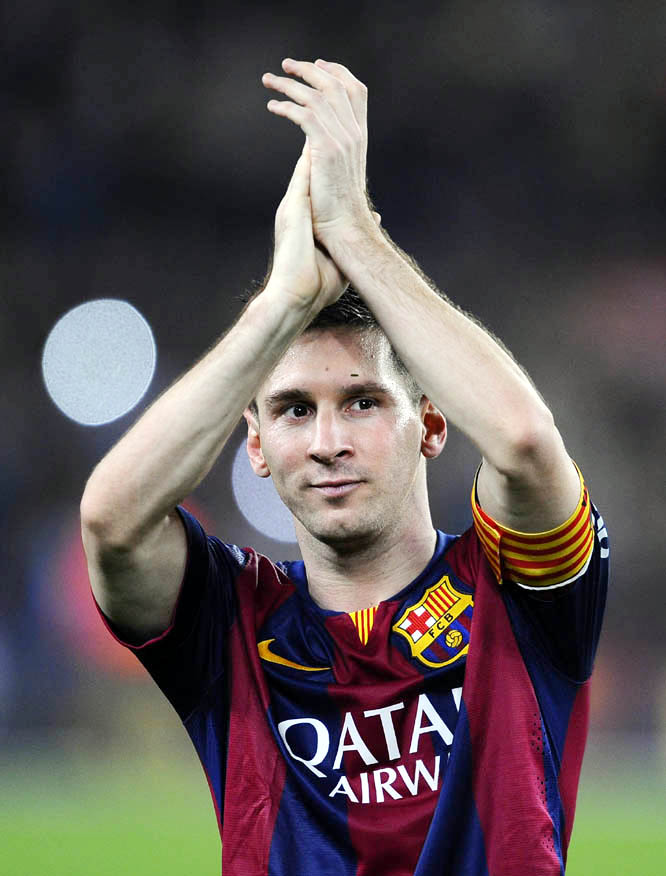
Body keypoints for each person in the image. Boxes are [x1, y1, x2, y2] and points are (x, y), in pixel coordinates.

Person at [80, 58, 608, 876]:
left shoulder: (512, 589)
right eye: (293, 409)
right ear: (255, 444)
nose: (327, 440)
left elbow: (526, 443)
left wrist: (356, 233)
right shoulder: (233, 622)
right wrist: (280, 302)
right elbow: (112, 523)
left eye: (362, 400)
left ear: (431, 423)